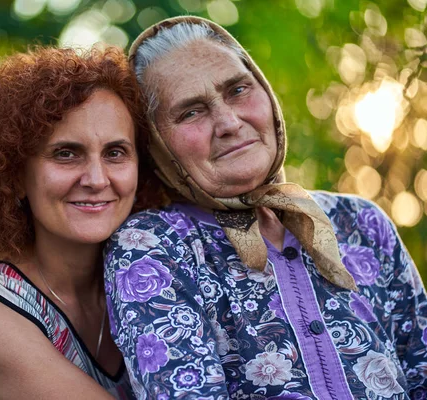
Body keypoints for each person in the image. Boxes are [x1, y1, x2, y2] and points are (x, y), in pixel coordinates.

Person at [104, 16, 427, 399]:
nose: (228, 122)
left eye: (239, 90)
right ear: (157, 144)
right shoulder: (150, 247)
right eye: (190, 112)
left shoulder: (360, 222)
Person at [0, 46, 160, 399]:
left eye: (115, 153)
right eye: (66, 153)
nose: (96, 179)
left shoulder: (150, 281)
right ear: (13, 176)